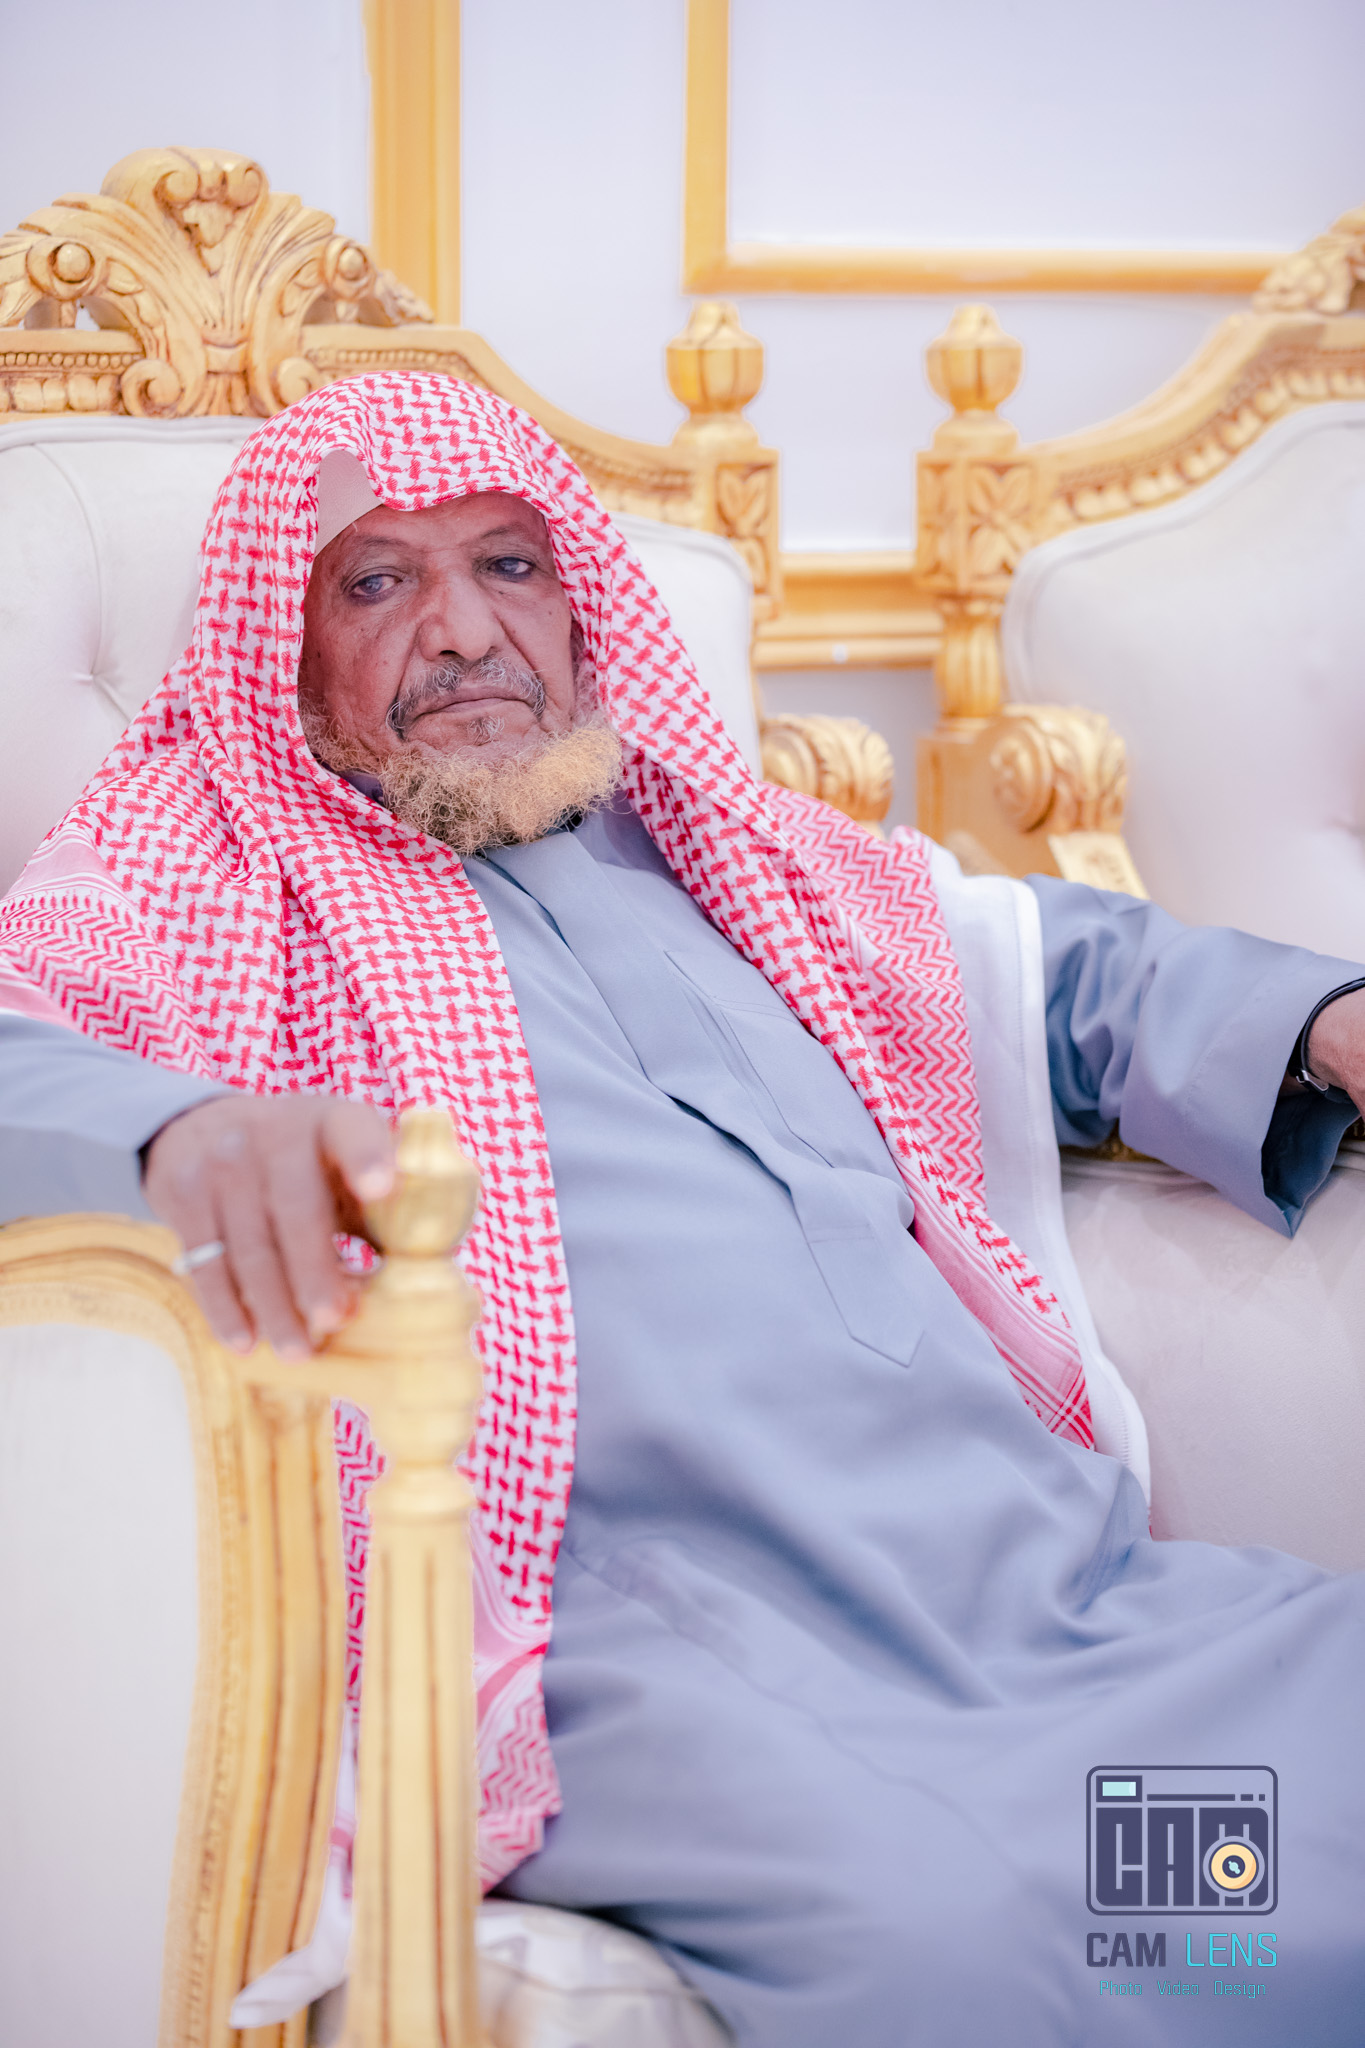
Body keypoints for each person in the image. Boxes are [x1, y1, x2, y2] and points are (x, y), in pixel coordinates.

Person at [1, 373, 1361, 2046]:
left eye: (508, 566)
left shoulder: (718, 852)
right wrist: (171, 1127)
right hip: (635, 1637)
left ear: (580, 604)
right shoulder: (188, 880)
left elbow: (1044, 969)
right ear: (284, 645)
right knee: (1006, 1930)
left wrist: (1317, 1016)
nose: (463, 632)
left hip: (1017, 1563)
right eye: (377, 582)